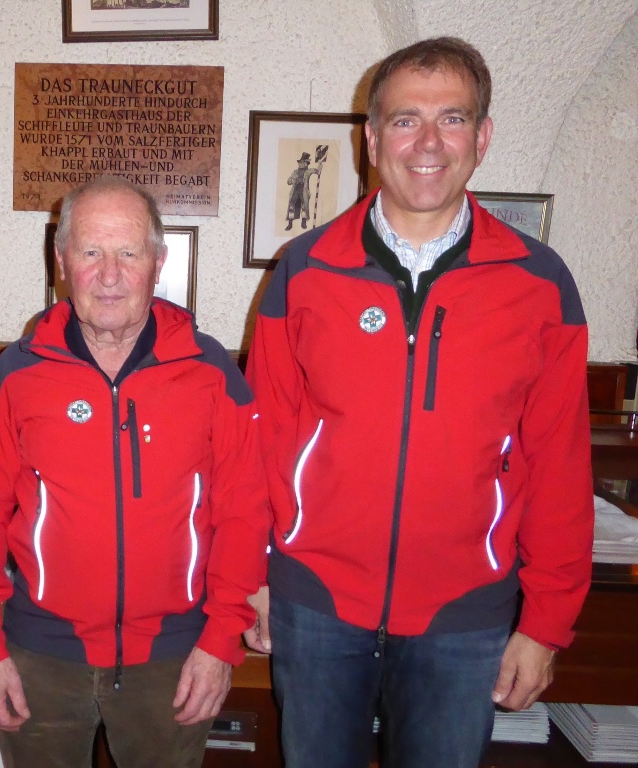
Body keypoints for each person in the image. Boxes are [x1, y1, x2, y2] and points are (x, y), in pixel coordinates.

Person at [245, 37, 594, 768]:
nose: (428, 142)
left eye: (453, 118)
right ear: (370, 139)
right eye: (405, 120)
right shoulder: (304, 273)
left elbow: (559, 464)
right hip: (316, 604)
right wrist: (250, 578)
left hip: (464, 614)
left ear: (483, 136)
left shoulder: (540, 285)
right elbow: (260, 442)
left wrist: (548, 623)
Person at [0, 176, 270, 767]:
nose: (109, 273)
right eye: (90, 251)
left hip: (175, 659)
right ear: (61, 259)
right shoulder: (16, 376)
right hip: (38, 658)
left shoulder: (211, 374)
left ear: (158, 262)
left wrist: (222, 641)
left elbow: (245, 510)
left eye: (128, 252)